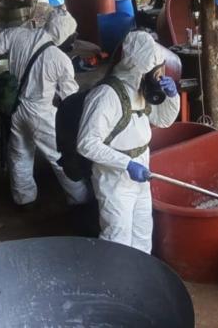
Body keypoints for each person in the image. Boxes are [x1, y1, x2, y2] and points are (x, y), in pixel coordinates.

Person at [77, 31, 180, 253]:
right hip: (115, 179)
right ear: (140, 68)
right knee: (118, 238)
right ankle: (114, 276)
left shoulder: (139, 90)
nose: (158, 76)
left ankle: (139, 274)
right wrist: (126, 164)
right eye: (155, 70)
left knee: (142, 233)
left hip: (141, 170)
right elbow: (86, 143)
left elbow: (163, 120)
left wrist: (172, 98)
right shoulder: (106, 95)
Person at [0, 9, 89, 207]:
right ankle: (80, 200)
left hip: (15, 107)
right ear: (63, 34)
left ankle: (24, 199)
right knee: (61, 158)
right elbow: (69, 97)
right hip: (41, 113)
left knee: (20, 154)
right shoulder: (59, 59)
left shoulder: (17, 34)